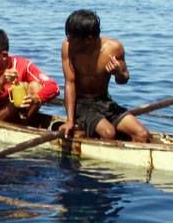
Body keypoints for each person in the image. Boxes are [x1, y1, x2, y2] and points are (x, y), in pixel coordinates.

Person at [60, 9, 150, 142]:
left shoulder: (114, 48)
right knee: (109, 133)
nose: (68, 40)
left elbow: (123, 79)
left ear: (88, 39)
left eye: (72, 37)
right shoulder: (68, 48)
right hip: (80, 104)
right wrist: (70, 121)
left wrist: (118, 72)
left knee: (142, 134)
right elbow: (70, 83)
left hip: (103, 101)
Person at [0, 28, 60, 124]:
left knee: (36, 87)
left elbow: (54, 87)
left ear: (4, 55)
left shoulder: (23, 64)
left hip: (12, 114)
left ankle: (23, 124)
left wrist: (37, 98)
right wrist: (1, 81)